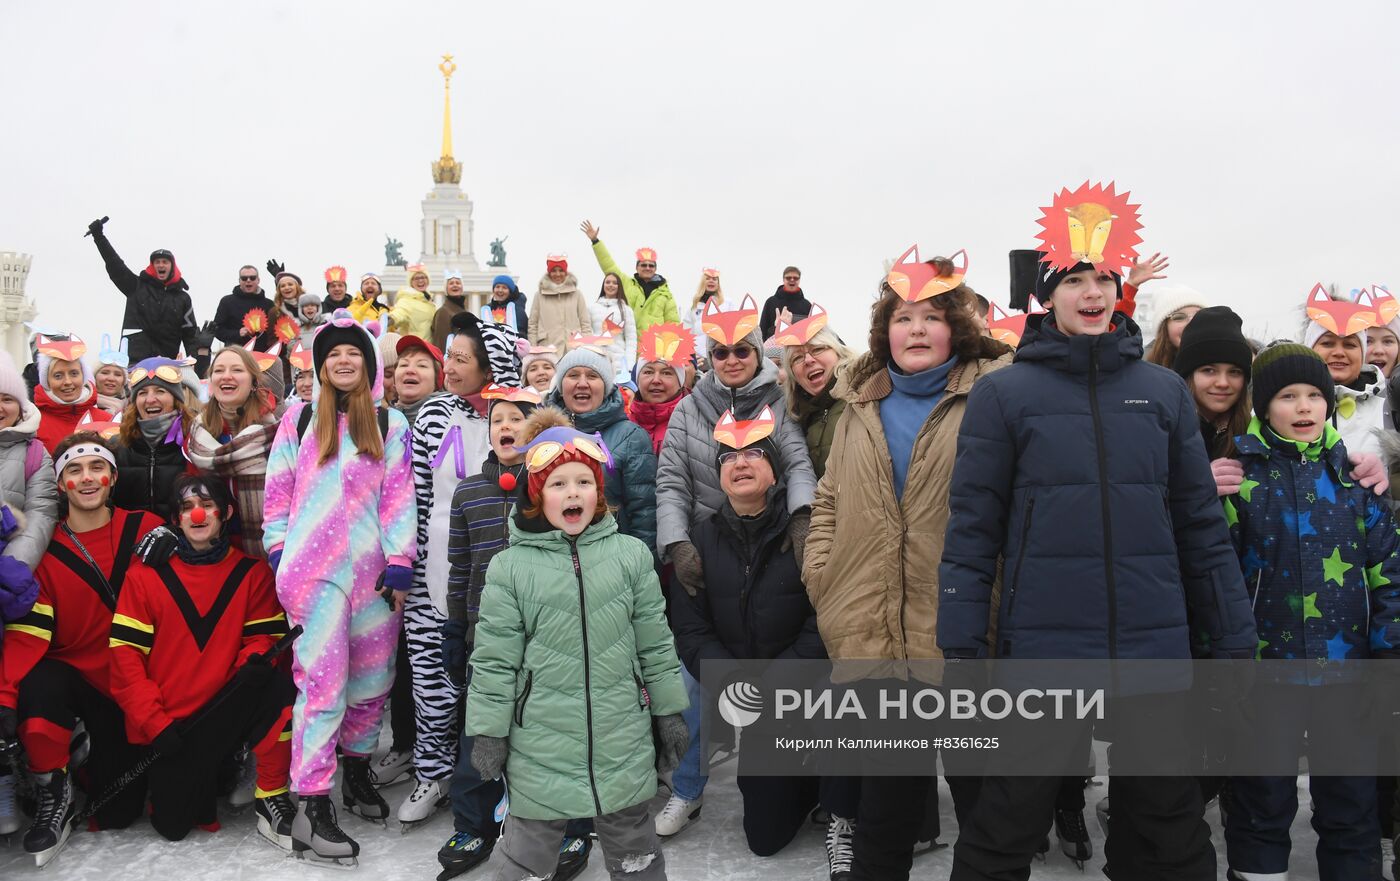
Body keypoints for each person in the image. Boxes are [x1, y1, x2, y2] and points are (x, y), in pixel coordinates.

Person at [935, 230, 1258, 879]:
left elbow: (1199, 524)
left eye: (1104, 279)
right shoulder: (1004, 395)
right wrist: (963, 647)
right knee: (1007, 820)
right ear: (1049, 295)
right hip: (1046, 650)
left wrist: (1232, 636)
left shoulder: (1162, 392)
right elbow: (973, 528)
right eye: (1075, 280)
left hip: (1152, 645)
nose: (1091, 292)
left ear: (1121, 291)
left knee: (1168, 822)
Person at [800, 253, 1013, 880]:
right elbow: (830, 498)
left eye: (931, 316)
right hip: (871, 629)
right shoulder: (859, 406)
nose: (915, 329)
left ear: (958, 328)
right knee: (886, 810)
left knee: (982, 807)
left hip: (961, 632)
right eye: (902, 317)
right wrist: (824, 577)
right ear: (883, 330)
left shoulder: (994, 396)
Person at [463, 407, 688, 881]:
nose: (572, 492)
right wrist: (490, 731)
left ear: (599, 493)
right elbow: (494, 660)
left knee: (634, 842)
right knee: (528, 843)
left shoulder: (630, 556)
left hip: (620, 732)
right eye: (558, 483)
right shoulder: (510, 567)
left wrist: (667, 711)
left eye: (583, 482)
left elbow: (654, 643)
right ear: (536, 495)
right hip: (539, 736)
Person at [1221, 342, 1400, 880]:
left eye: (1315, 396)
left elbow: (1387, 573)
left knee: (1351, 807)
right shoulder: (1238, 480)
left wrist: (1389, 659)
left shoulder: (1357, 480)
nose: (1303, 408)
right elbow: (1217, 582)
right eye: (1287, 396)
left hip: (1347, 679)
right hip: (1264, 677)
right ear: (1262, 407)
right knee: (1260, 803)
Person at [654, 294, 817, 836]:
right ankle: (687, 788)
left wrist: (799, 518)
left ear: (756, 352)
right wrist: (678, 544)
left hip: (769, 540)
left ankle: (805, 783)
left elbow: (795, 461)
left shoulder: (780, 398)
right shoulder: (689, 407)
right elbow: (672, 480)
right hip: (710, 548)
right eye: (720, 352)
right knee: (700, 683)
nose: (731, 360)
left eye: (741, 350)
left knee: (783, 664)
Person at [672, 407, 859, 871]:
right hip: (751, 692)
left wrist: (778, 683)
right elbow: (690, 630)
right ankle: (806, 785)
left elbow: (826, 615)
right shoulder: (700, 539)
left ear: (775, 471)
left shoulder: (805, 533)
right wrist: (733, 680)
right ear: (719, 475)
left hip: (808, 683)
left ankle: (842, 813)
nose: (741, 463)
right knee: (765, 837)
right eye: (729, 457)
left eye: (754, 453)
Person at [262, 310, 417, 866]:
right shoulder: (298, 420)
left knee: (374, 681)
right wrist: (280, 551)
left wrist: (400, 560)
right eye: (334, 354)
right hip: (313, 574)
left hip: (375, 575)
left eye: (354, 352)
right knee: (322, 686)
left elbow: (400, 495)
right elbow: (276, 493)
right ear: (321, 365)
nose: (344, 360)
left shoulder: (389, 423)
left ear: (368, 363)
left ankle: (355, 771)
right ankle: (311, 803)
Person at [108, 473, 297, 846]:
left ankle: (271, 794)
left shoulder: (251, 573)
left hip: (225, 710)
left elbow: (264, 636)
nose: (197, 515)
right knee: (174, 825)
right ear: (175, 518)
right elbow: (125, 658)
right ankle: (217, 771)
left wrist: (255, 658)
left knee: (276, 688)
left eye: (207, 505)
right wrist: (154, 724)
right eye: (186, 508)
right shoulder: (143, 577)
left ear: (225, 513)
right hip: (173, 727)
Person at [0, 433, 163, 862]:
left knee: (118, 811)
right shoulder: (45, 549)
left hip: (137, 684)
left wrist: (180, 545)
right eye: (74, 469)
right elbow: (29, 631)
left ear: (111, 478)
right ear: (60, 484)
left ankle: (85, 751)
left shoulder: (148, 528)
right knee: (40, 685)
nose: (86, 478)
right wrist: (6, 695)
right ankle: (55, 785)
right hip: (77, 678)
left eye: (96, 468)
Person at [402, 311, 522, 825]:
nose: (447, 367)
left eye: (459, 358)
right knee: (431, 681)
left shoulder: (519, 412)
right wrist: (408, 566)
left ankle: (506, 785)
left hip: (504, 577)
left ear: (488, 364)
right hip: (438, 570)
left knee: (498, 688)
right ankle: (432, 771)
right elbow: (418, 496)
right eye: (447, 356)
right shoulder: (431, 414)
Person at [435, 384, 537, 879]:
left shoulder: (548, 486)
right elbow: (459, 567)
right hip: (484, 636)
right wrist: (456, 626)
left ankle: (571, 826)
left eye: (517, 418)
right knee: (480, 732)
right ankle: (473, 822)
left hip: (542, 637)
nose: (506, 427)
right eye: (498, 420)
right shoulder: (470, 491)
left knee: (545, 735)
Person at [547, 347, 658, 553]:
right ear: (561, 385)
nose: (582, 383)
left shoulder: (630, 437)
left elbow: (645, 513)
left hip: (614, 558)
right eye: (572, 375)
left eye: (592, 376)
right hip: (555, 560)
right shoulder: (543, 432)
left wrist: (641, 566)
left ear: (606, 387)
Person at [186, 346, 281, 559]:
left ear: (254, 382)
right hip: (216, 551)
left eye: (237, 370)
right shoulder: (196, 435)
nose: (226, 376)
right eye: (218, 370)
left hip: (269, 548)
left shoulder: (278, 431)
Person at [86, 217, 199, 362]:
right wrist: (99, 237)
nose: (161, 265)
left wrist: (196, 362)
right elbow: (115, 265)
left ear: (172, 266)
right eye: (157, 262)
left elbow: (190, 335)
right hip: (134, 360)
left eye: (165, 262)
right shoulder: (136, 286)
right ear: (152, 266)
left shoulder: (183, 298)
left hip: (165, 364)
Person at [1304, 285, 1387, 459]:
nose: (1339, 352)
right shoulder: (1281, 401)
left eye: (1350, 344)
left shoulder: (1388, 405)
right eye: (1327, 343)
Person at [112, 358, 197, 520]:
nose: (150, 399)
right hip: (133, 539)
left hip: (183, 539)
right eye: (143, 393)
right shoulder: (117, 446)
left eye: (160, 391)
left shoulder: (194, 442)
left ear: (175, 399)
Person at [777, 310, 855, 478]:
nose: (808, 360)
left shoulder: (864, 395)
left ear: (837, 353)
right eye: (797, 358)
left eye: (818, 349)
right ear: (794, 376)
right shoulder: (799, 416)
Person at [581, 220, 680, 332]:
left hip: (654, 347)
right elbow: (608, 265)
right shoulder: (626, 283)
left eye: (651, 265)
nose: (647, 268)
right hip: (629, 345)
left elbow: (673, 324)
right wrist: (595, 241)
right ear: (637, 268)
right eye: (643, 265)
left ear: (655, 269)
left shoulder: (666, 295)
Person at [33, 334, 114, 455]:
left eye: (74, 373)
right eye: (58, 376)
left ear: (83, 376)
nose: (67, 382)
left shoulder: (106, 420)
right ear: (47, 381)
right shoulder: (33, 423)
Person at [629, 323, 693, 455]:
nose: (656, 380)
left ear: (680, 382)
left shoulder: (694, 425)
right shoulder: (624, 427)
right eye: (648, 372)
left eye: (666, 373)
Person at [530, 256, 593, 352]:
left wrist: (587, 347)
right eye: (554, 270)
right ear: (549, 273)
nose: (558, 274)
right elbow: (533, 325)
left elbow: (585, 324)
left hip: (574, 347)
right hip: (547, 347)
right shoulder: (539, 296)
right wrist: (533, 349)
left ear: (566, 272)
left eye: (561, 270)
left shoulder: (577, 294)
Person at [213, 265, 278, 350]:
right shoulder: (227, 301)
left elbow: (279, 327)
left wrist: (279, 278)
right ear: (239, 281)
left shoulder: (269, 304)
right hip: (236, 353)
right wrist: (237, 333)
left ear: (258, 280)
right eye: (244, 278)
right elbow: (217, 330)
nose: (248, 280)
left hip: (262, 355)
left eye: (252, 278)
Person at [1144, 285, 1208, 368]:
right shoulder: (1143, 370)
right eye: (1179, 317)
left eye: (1199, 315)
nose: (1191, 322)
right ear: (1164, 329)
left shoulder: (1226, 359)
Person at [590, 272, 639, 374]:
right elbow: (587, 333)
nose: (611, 285)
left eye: (614, 283)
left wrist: (629, 365)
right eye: (607, 282)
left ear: (619, 286)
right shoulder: (592, 308)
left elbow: (631, 339)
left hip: (618, 363)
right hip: (595, 360)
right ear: (603, 286)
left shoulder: (626, 310)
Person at [393, 335, 445, 425]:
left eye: (422, 365)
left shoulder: (447, 422)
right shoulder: (379, 419)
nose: (410, 370)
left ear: (437, 380)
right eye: (404, 365)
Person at [760, 265, 813, 342]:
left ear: (799, 280)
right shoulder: (771, 302)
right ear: (783, 280)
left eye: (795, 278)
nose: (792, 280)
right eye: (788, 278)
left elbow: (810, 332)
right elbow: (763, 328)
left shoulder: (807, 305)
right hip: (773, 348)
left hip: (798, 349)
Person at [686, 268, 726, 362]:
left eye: (714, 279)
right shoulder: (694, 308)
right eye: (708, 278)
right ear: (703, 282)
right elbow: (687, 333)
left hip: (720, 355)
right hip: (699, 357)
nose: (711, 281)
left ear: (718, 284)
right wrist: (691, 353)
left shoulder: (726, 304)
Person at [391, 264, 437, 340]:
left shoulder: (429, 301)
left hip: (429, 348)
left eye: (423, 277)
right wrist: (390, 319)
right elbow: (399, 313)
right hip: (415, 348)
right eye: (416, 278)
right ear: (411, 282)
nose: (420, 280)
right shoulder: (406, 300)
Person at [481, 274, 530, 341]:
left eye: (504, 288)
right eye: (497, 287)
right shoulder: (488, 309)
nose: (500, 290)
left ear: (510, 292)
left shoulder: (517, 309)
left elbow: (522, 332)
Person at [430, 270, 469, 350]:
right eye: (451, 283)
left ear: (462, 287)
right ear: (446, 289)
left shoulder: (464, 311)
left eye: (458, 283)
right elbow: (441, 344)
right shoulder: (443, 312)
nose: (455, 285)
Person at [93, 335, 131, 415]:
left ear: (124, 381)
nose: (111, 378)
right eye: (105, 373)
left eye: (117, 374)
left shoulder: (132, 409)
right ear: (95, 377)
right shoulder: (82, 405)